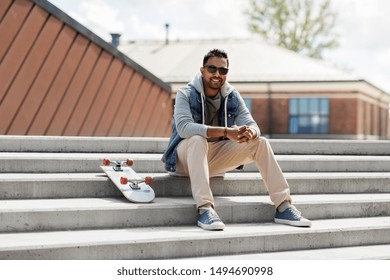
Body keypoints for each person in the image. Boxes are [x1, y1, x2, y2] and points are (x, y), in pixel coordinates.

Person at [162, 49, 311, 231]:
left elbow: (253, 125)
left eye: (223, 70)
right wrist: (226, 131)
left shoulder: (232, 96)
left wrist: (250, 132)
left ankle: (283, 206)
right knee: (197, 139)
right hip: (183, 159)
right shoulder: (186, 93)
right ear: (202, 70)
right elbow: (185, 128)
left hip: (212, 159)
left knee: (261, 142)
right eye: (212, 69)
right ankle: (205, 208)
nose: (217, 74)